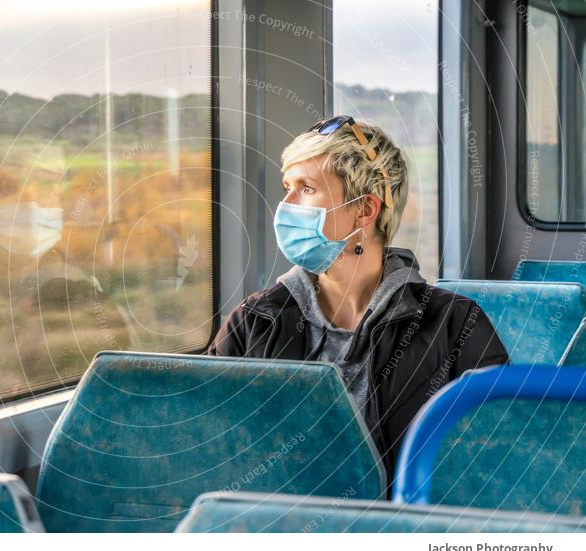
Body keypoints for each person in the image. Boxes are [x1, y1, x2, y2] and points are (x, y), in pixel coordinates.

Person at [207, 115, 509, 491]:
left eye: (306, 189)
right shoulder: (255, 321)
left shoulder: (455, 326)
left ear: (364, 210)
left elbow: (498, 462)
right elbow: (208, 446)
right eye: (286, 187)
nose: (285, 205)